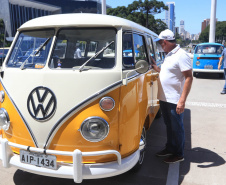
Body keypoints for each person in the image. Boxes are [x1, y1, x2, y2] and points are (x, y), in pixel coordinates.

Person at [151, 29, 193, 163]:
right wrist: (156, 68)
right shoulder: (169, 55)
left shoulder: (182, 55)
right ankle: (170, 148)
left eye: (160, 43)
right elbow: (169, 72)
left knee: (177, 128)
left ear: (165, 42)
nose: (160, 46)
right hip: (164, 97)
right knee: (169, 126)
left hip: (174, 100)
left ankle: (179, 154)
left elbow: (189, 78)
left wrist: (182, 101)